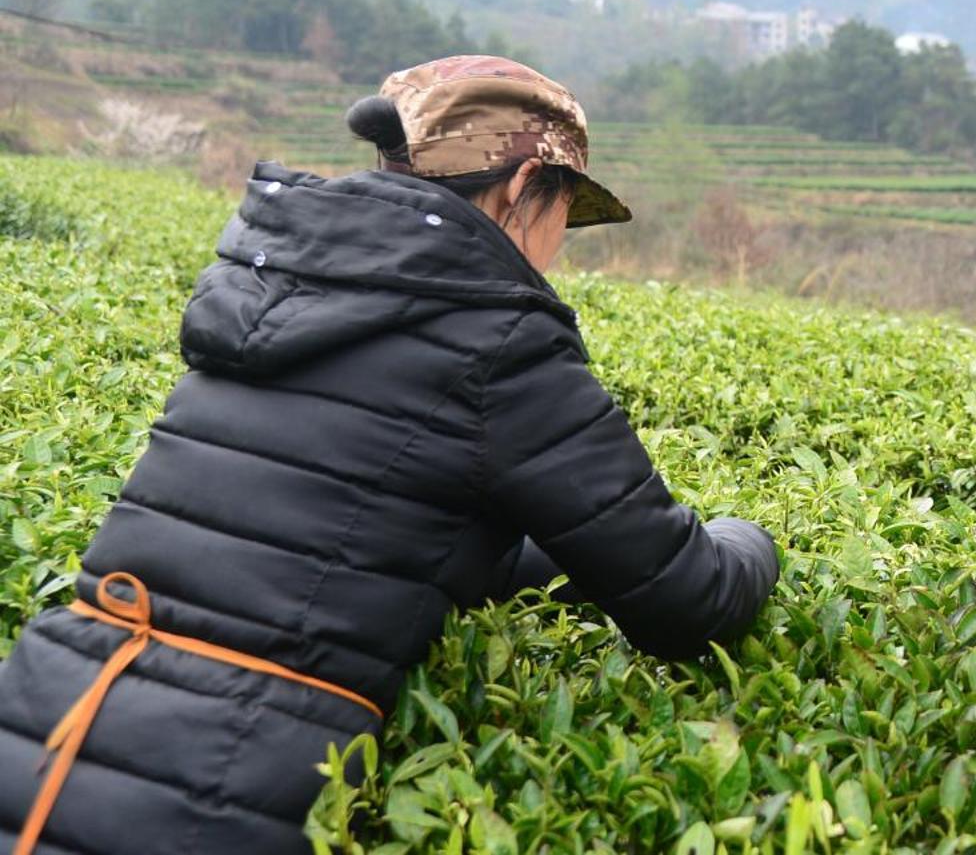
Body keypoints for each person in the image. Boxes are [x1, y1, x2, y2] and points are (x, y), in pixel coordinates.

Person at [0, 55, 780, 855]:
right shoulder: (499, 338)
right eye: (562, 212)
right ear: (522, 188)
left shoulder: (272, 281)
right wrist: (751, 536)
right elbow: (691, 601)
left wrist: (556, 558)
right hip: (211, 784)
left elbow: (380, 523)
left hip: (49, 707)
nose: (556, 247)